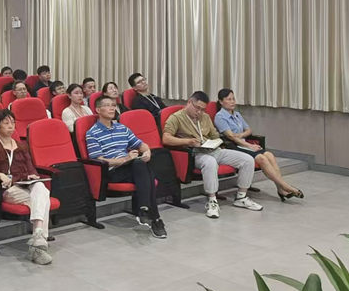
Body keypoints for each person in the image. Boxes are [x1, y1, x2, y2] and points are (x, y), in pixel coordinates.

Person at [162, 91, 261, 219]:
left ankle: (241, 197)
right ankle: (212, 201)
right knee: (210, 162)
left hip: (212, 149)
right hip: (195, 154)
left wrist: (215, 142)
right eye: (197, 108)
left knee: (247, 159)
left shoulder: (205, 117)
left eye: (203, 109)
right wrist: (187, 141)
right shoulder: (176, 118)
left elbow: (215, 136)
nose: (199, 112)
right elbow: (166, 139)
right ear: (189, 102)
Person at [0, 110, 53, 264]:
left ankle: (38, 238)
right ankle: (39, 245)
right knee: (43, 200)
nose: (11, 126)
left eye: (12, 122)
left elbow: (31, 168)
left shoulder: (21, 145)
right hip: (8, 189)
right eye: (6, 123)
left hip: (25, 184)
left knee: (40, 187)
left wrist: (32, 176)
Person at [86, 95, 167, 238]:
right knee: (143, 168)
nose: (112, 108)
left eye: (113, 105)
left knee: (143, 165)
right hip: (113, 171)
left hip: (131, 167)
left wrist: (147, 152)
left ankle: (148, 213)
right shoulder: (92, 133)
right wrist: (125, 159)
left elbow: (140, 144)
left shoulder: (122, 128)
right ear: (98, 110)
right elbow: (100, 161)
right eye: (107, 105)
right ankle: (151, 215)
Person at [214, 88, 303, 201]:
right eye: (229, 99)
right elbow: (231, 137)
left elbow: (249, 130)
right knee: (262, 158)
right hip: (233, 146)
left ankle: (280, 189)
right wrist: (249, 146)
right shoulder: (220, 117)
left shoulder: (237, 114)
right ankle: (286, 186)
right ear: (221, 102)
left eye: (233, 99)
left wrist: (240, 135)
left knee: (269, 155)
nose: (232, 102)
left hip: (243, 143)